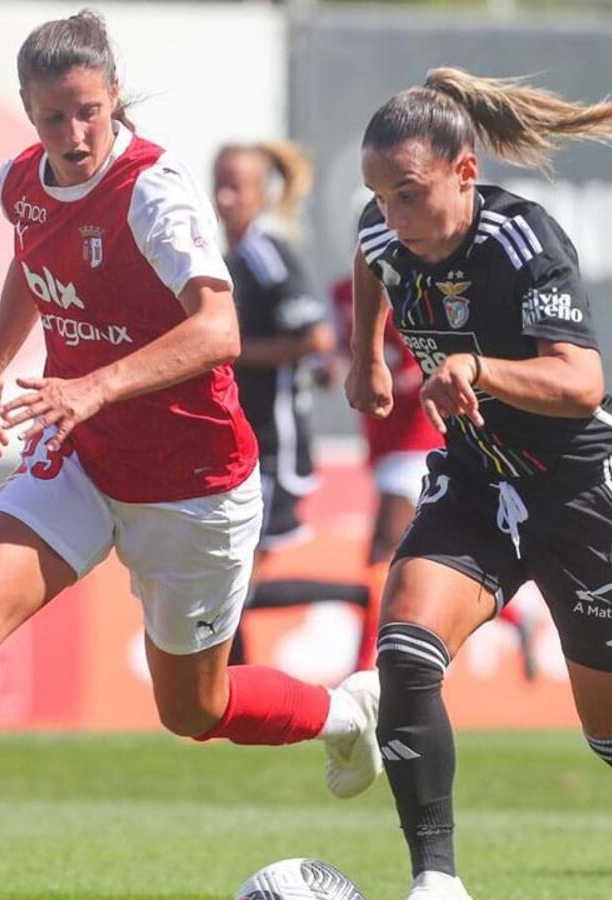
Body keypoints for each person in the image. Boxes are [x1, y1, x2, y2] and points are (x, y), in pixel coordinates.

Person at [0, 12, 379, 900]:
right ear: (27, 113)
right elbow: (31, 263)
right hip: (83, 456)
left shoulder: (153, 191)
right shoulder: (20, 183)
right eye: (52, 117)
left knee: (194, 710)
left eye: (87, 111)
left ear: (113, 96)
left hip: (194, 484)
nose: (73, 135)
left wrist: (89, 385)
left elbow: (219, 328)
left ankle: (344, 709)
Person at [345, 69, 612, 900]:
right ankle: (436, 882)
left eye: (409, 195)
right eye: (378, 196)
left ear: (465, 172)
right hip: (478, 482)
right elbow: (368, 261)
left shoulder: (525, 243)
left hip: (580, 491)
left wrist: (476, 368)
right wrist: (364, 362)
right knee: (407, 651)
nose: (392, 217)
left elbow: (581, 382)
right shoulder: (385, 233)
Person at [212, 141, 373, 668]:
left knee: (233, 588)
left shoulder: (264, 254)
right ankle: (230, 707)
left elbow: (317, 337)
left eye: (236, 184)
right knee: (228, 588)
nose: (223, 195)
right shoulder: (232, 258)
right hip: (243, 443)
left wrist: (226, 351)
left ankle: (356, 597)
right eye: (219, 181)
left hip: (272, 444)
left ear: (261, 194)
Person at [332, 276, 538, 677]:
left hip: (418, 441)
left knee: (379, 556)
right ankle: (515, 617)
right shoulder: (344, 293)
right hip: (383, 443)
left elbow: (430, 361)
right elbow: (342, 351)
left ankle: (362, 673)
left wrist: (393, 379)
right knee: (396, 560)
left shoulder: (414, 290)